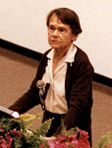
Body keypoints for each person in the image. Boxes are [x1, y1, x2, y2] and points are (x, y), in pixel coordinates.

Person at [9, 7, 94, 146]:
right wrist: (9, 114)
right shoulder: (47, 57)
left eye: (61, 30)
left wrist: (60, 136)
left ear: (74, 35)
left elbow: (77, 106)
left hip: (72, 125)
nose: (54, 34)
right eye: (51, 28)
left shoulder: (81, 64)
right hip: (49, 120)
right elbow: (34, 94)